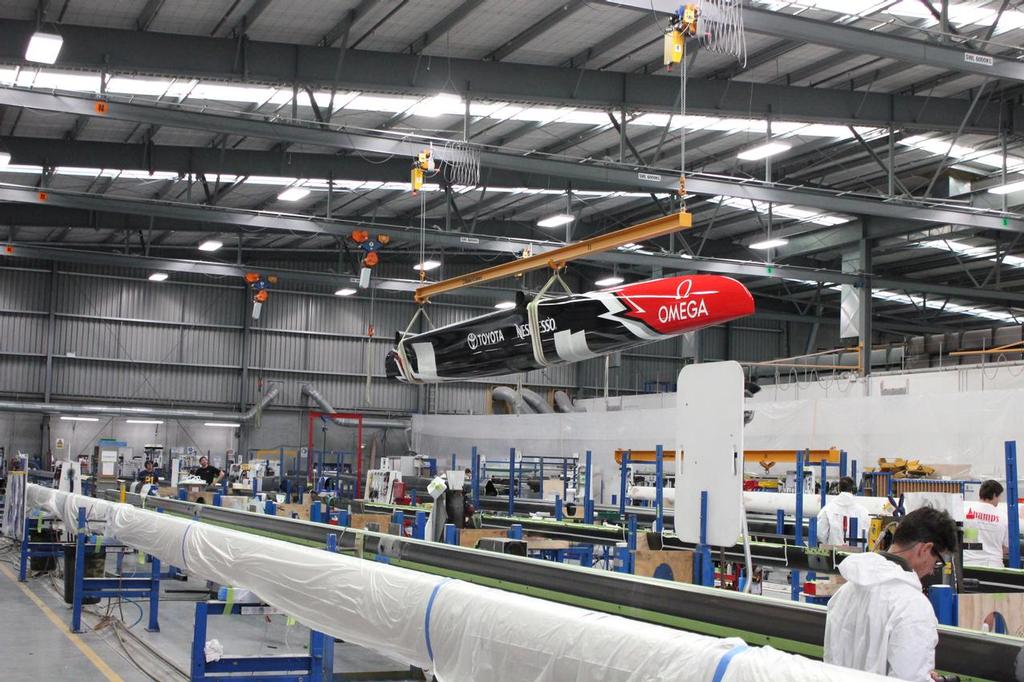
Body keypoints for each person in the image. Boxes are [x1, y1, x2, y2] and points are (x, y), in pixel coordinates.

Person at [824, 506, 959, 682]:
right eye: (937, 561)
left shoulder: (846, 591)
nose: (933, 571)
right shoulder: (913, 606)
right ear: (925, 549)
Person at [963, 479, 1009, 568]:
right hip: (993, 566)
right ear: (995, 495)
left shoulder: (964, 511)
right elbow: (1006, 547)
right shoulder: (1003, 517)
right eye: (999, 497)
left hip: (967, 563)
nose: (999, 500)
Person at [817, 476, 871, 546]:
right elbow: (868, 535)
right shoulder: (864, 511)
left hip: (833, 554)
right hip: (857, 555)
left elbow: (820, 534)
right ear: (854, 489)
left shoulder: (827, 509)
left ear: (839, 489)